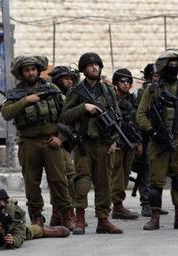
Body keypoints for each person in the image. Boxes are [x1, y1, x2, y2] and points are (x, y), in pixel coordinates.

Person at [1, 56, 76, 230]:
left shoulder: (52, 88)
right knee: (31, 182)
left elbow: (66, 115)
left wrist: (60, 138)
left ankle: (66, 215)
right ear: (22, 73)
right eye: (27, 70)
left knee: (59, 181)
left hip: (52, 141)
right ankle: (37, 217)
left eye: (33, 69)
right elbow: (6, 114)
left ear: (38, 70)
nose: (31, 73)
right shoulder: (15, 94)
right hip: (29, 143)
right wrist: (26, 101)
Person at [137, 49, 178, 230]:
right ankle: (155, 217)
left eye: (176, 65)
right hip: (159, 141)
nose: (173, 68)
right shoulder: (153, 89)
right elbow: (141, 115)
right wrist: (152, 132)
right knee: (156, 182)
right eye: (170, 64)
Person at [61, 52, 123, 235]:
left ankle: (103, 220)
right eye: (90, 65)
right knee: (82, 182)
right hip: (83, 144)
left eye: (97, 64)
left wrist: (114, 140)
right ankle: (79, 219)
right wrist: (83, 108)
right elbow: (65, 116)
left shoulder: (108, 91)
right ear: (84, 69)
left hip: (104, 143)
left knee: (105, 183)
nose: (94, 67)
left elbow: (117, 117)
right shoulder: (76, 91)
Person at [132, 64, 169, 217]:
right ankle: (146, 204)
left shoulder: (163, 90)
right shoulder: (143, 92)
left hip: (160, 136)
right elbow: (140, 116)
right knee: (145, 171)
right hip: (146, 135)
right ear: (148, 77)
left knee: (157, 172)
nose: (158, 78)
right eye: (155, 75)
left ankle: (155, 204)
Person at [47, 66, 80, 226]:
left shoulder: (72, 96)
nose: (69, 81)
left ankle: (60, 214)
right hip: (55, 142)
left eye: (71, 79)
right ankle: (64, 213)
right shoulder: (52, 96)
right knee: (63, 178)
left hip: (67, 143)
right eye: (65, 78)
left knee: (64, 178)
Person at [110, 68, 140, 220]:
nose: (126, 84)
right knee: (117, 174)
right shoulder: (111, 99)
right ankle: (117, 206)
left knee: (126, 174)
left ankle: (119, 204)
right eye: (123, 81)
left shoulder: (133, 100)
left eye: (128, 81)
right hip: (117, 142)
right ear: (116, 83)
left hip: (130, 142)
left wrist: (138, 142)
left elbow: (137, 121)